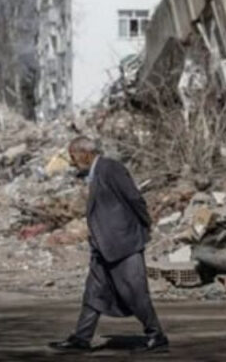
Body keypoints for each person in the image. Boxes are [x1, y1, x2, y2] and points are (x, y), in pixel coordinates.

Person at [48, 137, 169, 354]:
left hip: (123, 244)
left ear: (85, 153)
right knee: (93, 293)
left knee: (135, 292)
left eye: (73, 156)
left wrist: (143, 227)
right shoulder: (95, 173)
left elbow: (134, 199)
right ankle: (81, 338)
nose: (73, 161)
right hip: (104, 247)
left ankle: (156, 335)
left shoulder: (111, 168)